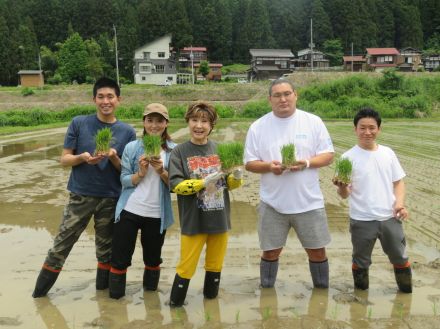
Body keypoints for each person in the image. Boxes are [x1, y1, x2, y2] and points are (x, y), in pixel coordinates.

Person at [32, 77, 136, 298]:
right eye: (101, 97)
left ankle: (102, 296)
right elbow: (64, 159)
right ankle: (39, 295)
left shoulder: (127, 132)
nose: (105, 101)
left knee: (105, 250)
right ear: (94, 99)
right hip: (80, 196)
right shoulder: (79, 123)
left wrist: (114, 157)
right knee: (61, 244)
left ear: (119, 100)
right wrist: (82, 157)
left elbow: (126, 173)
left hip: (111, 198)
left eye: (110, 96)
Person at [244, 78, 334, 289]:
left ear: (296, 95)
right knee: (271, 250)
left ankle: (321, 291)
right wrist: (269, 167)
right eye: (277, 95)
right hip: (273, 204)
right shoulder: (258, 127)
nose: (283, 99)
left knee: (317, 250)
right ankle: (267, 290)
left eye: (287, 94)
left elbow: (328, 155)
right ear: (270, 99)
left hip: (309, 203)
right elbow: (249, 163)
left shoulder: (313, 122)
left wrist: (306, 163)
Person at [168, 101, 243, 307]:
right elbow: (175, 185)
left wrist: (236, 176)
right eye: (194, 120)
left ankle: (211, 305)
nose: (199, 125)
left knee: (215, 265)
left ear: (211, 125)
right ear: (188, 122)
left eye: (204, 121)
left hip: (219, 217)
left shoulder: (220, 149)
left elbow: (228, 185)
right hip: (194, 220)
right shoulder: (179, 152)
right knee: (186, 266)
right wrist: (203, 182)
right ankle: (176, 305)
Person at [332, 108, 412, 293]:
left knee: (400, 257)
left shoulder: (388, 153)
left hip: (390, 217)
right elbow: (344, 194)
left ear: (379, 129)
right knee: (361, 261)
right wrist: (342, 186)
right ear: (355, 129)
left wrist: (399, 203)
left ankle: (406, 292)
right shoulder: (347, 158)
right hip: (362, 219)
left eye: (372, 127)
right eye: (362, 128)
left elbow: (398, 183)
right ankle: (360, 296)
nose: (367, 132)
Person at [108, 103, 175, 299]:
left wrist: (162, 170)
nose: (154, 125)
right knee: (120, 258)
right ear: (144, 122)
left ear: (166, 123)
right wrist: (141, 173)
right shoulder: (132, 147)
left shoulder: (173, 151)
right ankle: (115, 302)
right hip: (130, 210)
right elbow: (124, 180)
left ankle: (151, 301)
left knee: (153, 259)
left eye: (159, 121)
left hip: (156, 214)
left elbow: (176, 185)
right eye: (150, 120)